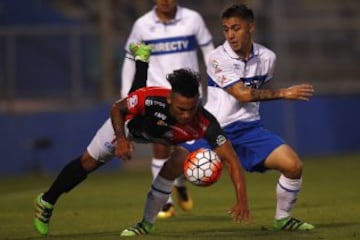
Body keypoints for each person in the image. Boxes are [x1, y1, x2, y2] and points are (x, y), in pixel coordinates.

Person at [33, 45, 250, 236]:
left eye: (191, 109)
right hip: (128, 128)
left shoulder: (206, 123)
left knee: (169, 168)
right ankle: (46, 201)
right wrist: (120, 140)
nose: (186, 115)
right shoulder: (154, 98)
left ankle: (145, 225)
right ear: (170, 99)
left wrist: (242, 199)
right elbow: (118, 108)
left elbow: (231, 160)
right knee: (89, 162)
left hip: (160, 135)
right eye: (181, 109)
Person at [179, 4, 315, 231]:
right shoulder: (217, 58)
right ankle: (146, 221)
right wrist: (284, 93)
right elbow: (241, 94)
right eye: (226, 29)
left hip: (250, 129)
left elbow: (251, 96)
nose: (230, 35)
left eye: (236, 28)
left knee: (293, 166)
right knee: (172, 166)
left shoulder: (268, 58)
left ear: (250, 27)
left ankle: (283, 220)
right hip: (213, 128)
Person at [120, 0, 214, 218]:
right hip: (157, 96)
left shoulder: (193, 19)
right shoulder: (142, 25)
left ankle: (180, 183)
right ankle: (166, 203)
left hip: (187, 98)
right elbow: (129, 59)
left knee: (184, 146)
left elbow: (209, 52)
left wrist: (217, 86)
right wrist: (127, 96)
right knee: (161, 145)